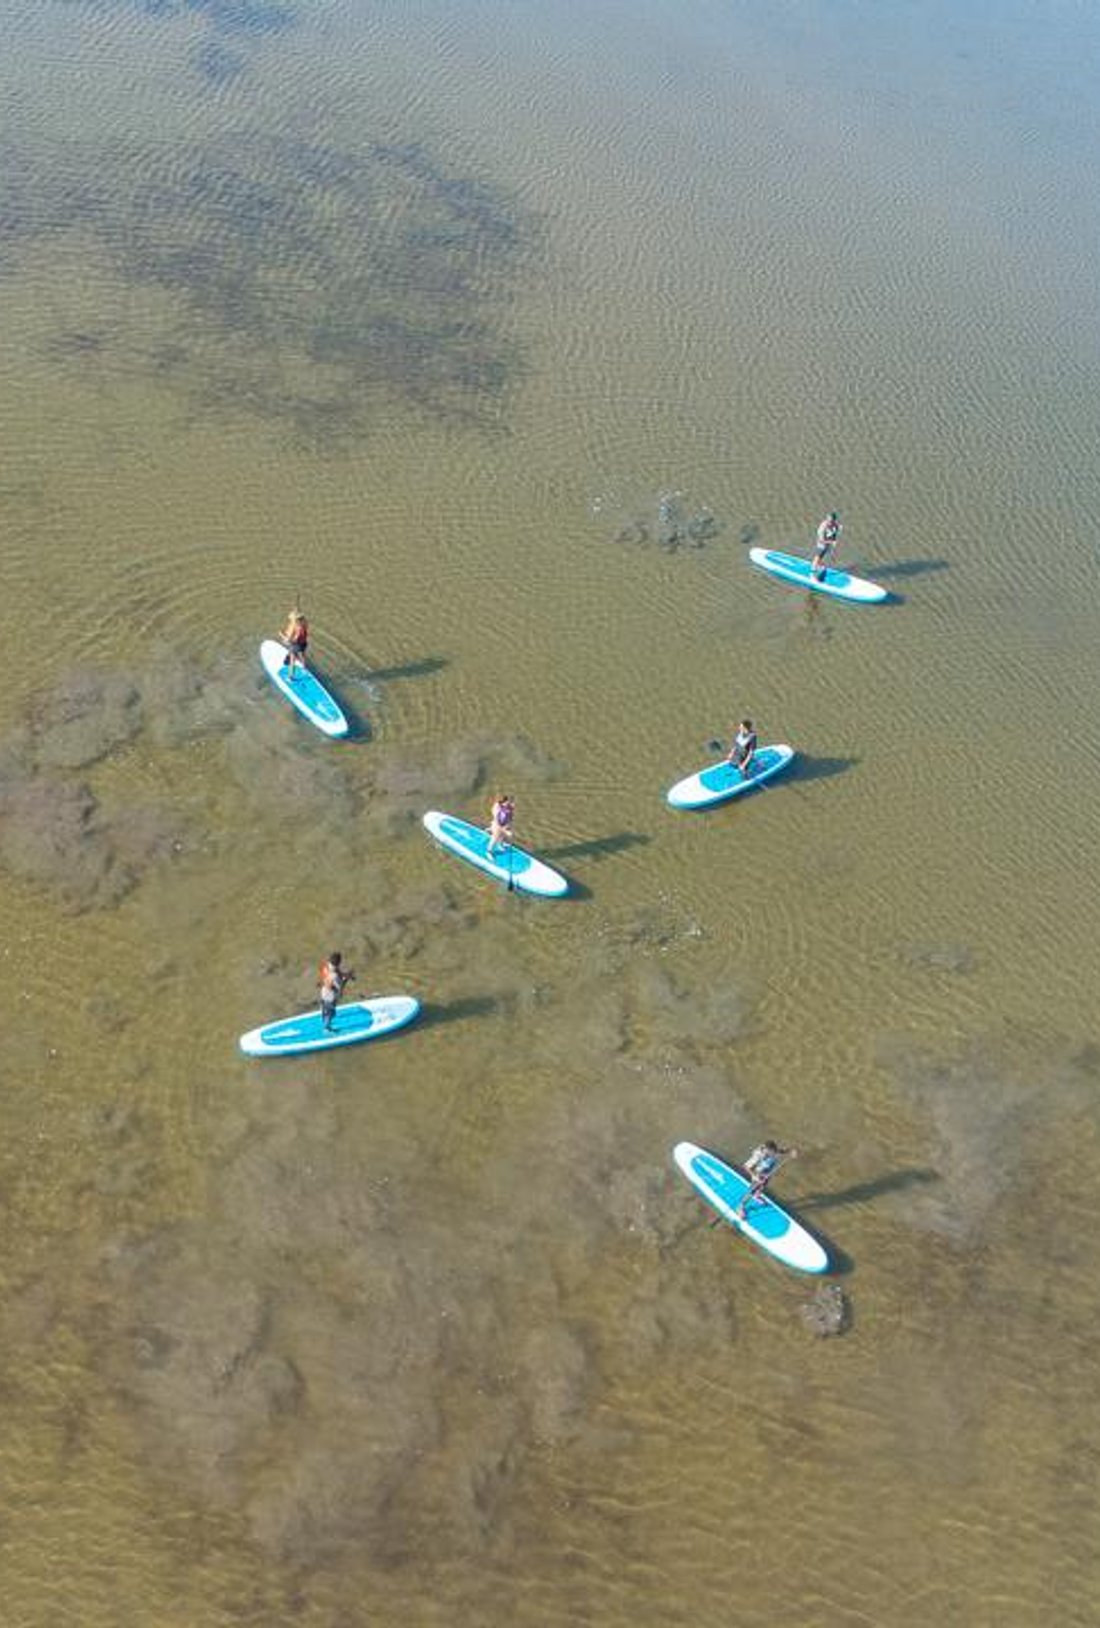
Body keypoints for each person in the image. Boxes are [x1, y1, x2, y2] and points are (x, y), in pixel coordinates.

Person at [737, 1140, 798, 1217]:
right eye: (770, 1152)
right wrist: (755, 1176)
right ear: (766, 1150)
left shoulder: (774, 1151)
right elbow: (746, 1167)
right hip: (757, 1173)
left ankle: (757, 1196)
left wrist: (791, 1151)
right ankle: (740, 1206)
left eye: (773, 1151)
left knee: (763, 1185)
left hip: (767, 1172)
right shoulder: (758, 1156)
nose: (773, 1154)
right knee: (752, 1190)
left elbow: (783, 1151)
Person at [317, 950, 354, 1032]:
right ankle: (327, 1028)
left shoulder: (326, 967)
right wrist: (346, 980)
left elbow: (337, 973)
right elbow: (340, 987)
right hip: (330, 996)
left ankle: (324, 1015)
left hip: (323, 992)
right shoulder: (335, 976)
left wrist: (346, 975)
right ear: (338, 963)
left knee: (325, 1007)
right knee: (331, 1013)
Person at [281, 606, 309, 678]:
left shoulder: (295, 627)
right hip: (303, 644)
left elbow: (292, 640)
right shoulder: (304, 624)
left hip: (296, 645)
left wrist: (282, 635)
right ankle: (304, 669)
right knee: (302, 656)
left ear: (295, 620)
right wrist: (296, 611)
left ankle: (290, 677)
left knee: (292, 661)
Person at [811, 511, 841, 580]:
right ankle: (812, 572)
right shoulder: (823, 527)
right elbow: (821, 540)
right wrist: (831, 542)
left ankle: (821, 566)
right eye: (829, 521)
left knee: (824, 556)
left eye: (832, 521)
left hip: (828, 542)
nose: (830, 523)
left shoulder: (835, 525)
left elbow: (834, 534)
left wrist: (833, 540)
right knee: (818, 556)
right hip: (821, 543)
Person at [487, 793, 515, 857]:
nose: (510, 803)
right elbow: (497, 821)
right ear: (504, 801)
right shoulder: (497, 808)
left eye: (510, 802)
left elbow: (510, 818)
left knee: (502, 836)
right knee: (495, 837)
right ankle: (489, 851)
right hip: (497, 824)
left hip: (504, 824)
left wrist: (508, 827)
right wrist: (505, 831)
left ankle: (500, 845)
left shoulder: (510, 807)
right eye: (508, 802)